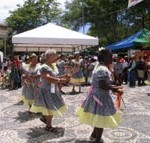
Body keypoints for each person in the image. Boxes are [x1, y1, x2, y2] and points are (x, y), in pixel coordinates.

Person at [76, 49, 122, 143]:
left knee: (98, 118)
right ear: (105, 57)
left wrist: (114, 86)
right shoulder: (102, 69)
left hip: (98, 96)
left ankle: (93, 136)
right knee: (100, 119)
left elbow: (103, 83)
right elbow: (102, 85)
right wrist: (115, 89)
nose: (112, 57)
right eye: (110, 56)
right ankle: (97, 140)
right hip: (100, 98)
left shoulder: (101, 67)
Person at [30, 49, 70, 131]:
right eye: (55, 55)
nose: (56, 57)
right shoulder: (44, 67)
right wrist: (59, 80)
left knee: (51, 107)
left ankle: (46, 120)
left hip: (52, 89)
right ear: (50, 56)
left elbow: (53, 77)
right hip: (46, 90)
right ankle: (48, 126)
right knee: (50, 108)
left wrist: (64, 76)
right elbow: (47, 78)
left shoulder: (51, 66)